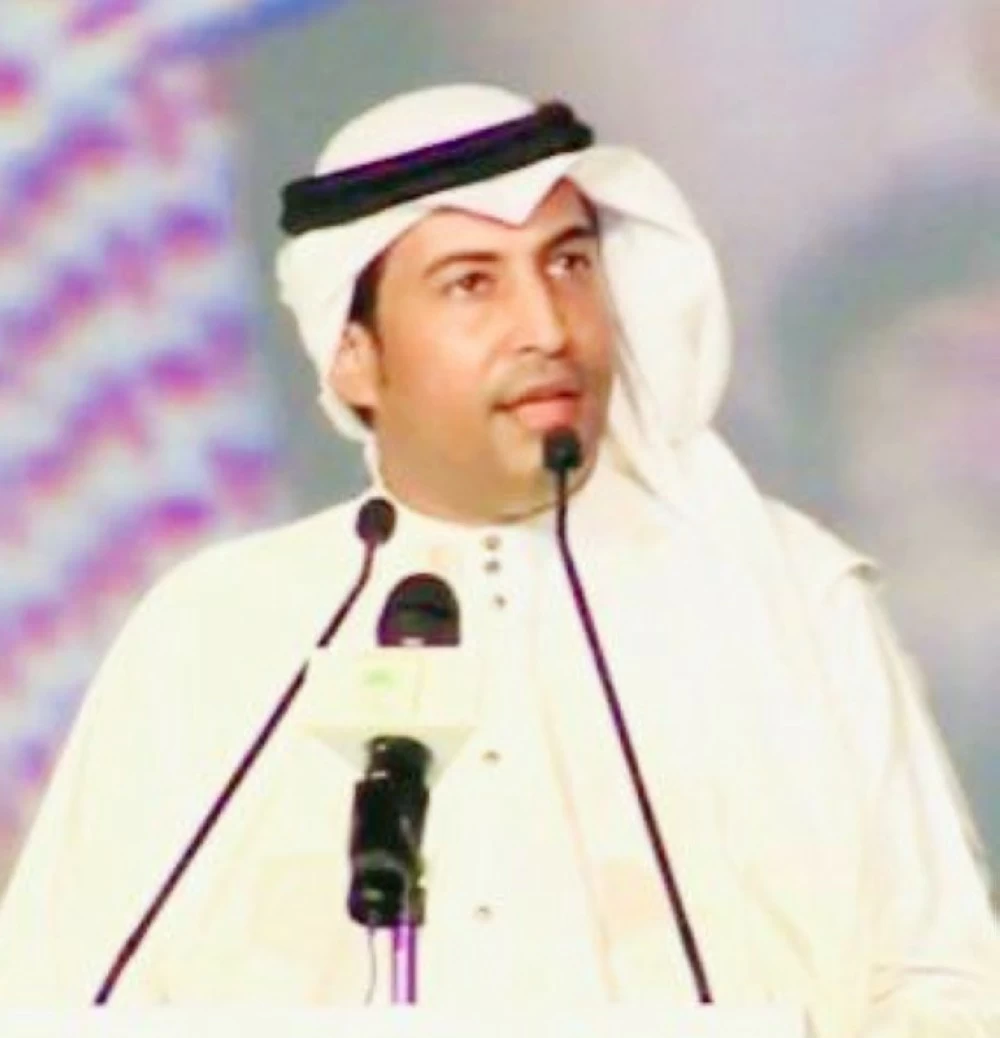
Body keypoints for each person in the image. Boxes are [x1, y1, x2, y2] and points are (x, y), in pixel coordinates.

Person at [0, 83, 997, 1037]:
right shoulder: (217, 629)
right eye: (471, 283)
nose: (548, 328)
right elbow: (52, 997)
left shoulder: (777, 596)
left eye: (568, 266)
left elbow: (949, 987)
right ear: (355, 356)